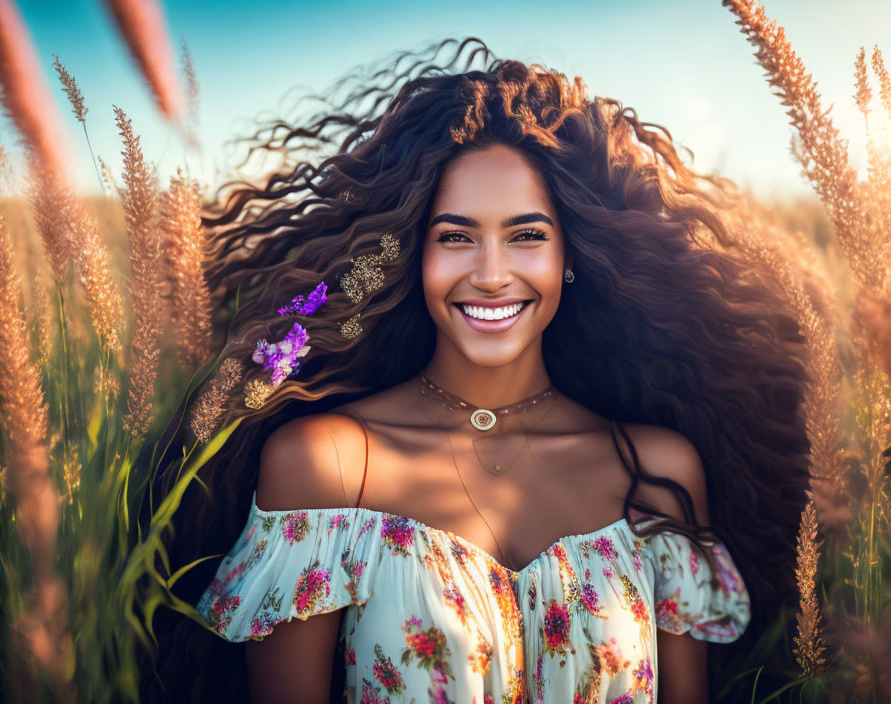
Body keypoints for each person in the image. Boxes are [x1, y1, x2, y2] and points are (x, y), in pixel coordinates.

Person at [150, 38, 811, 704]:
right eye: (456, 236)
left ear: (568, 257)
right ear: (415, 255)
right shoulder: (330, 466)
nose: (492, 276)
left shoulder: (657, 471)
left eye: (526, 236)